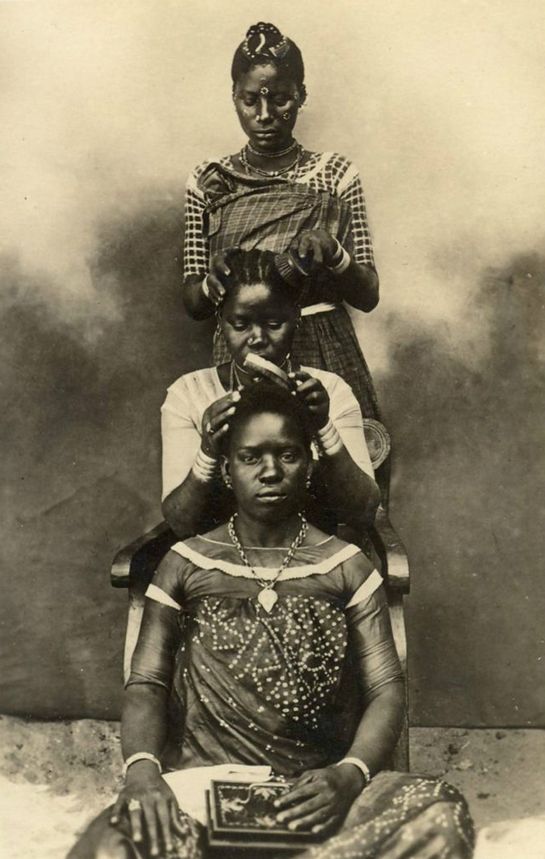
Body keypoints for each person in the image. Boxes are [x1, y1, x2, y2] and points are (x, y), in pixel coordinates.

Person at [69, 383, 473, 859]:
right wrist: (142, 772)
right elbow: (147, 684)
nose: (269, 471)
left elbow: (386, 689)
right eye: (250, 457)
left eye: (287, 455)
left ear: (311, 463)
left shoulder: (346, 566)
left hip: (318, 794)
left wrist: (348, 775)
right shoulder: (185, 563)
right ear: (226, 469)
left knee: (440, 815)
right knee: (111, 844)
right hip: (205, 789)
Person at [181, 21, 381, 420]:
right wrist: (212, 281)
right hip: (243, 351)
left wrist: (334, 253)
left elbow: (368, 294)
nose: (266, 115)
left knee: (336, 465)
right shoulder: (209, 180)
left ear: (301, 95)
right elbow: (193, 303)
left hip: (323, 346)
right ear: (234, 97)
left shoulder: (335, 173)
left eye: (282, 100)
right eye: (251, 100)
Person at [162, 248, 380, 539]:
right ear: (221, 323)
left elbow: (363, 513)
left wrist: (323, 426)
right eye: (240, 325)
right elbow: (181, 523)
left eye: (274, 325)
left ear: (297, 319)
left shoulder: (330, 390)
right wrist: (208, 450)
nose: (257, 340)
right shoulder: (189, 393)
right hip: (219, 566)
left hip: (310, 560)